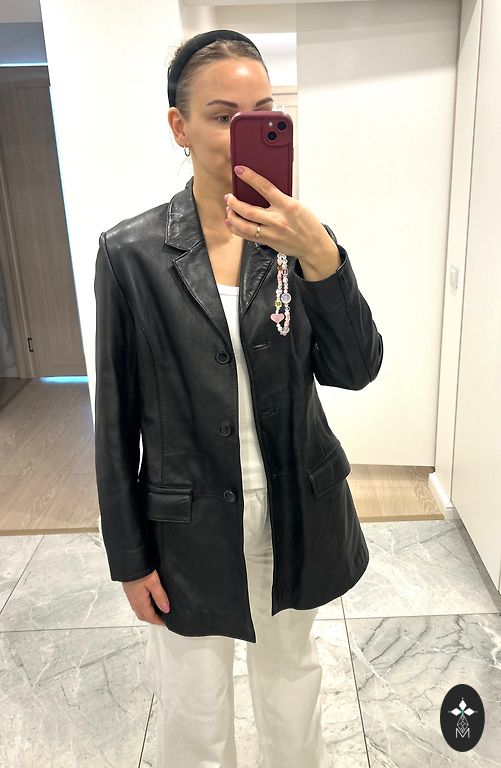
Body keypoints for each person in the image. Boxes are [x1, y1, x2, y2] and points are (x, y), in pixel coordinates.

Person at [94, 28, 383, 768]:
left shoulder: (301, 241)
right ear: (179, 127)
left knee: (292, 687)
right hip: (185, 525)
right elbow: (114, 420)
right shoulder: (131, 254)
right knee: (193, 707)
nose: (245, 133)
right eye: (223, 116)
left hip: (295, 508)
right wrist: (128, 557)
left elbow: (355, 369)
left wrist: (322, 260)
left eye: (263, 114)